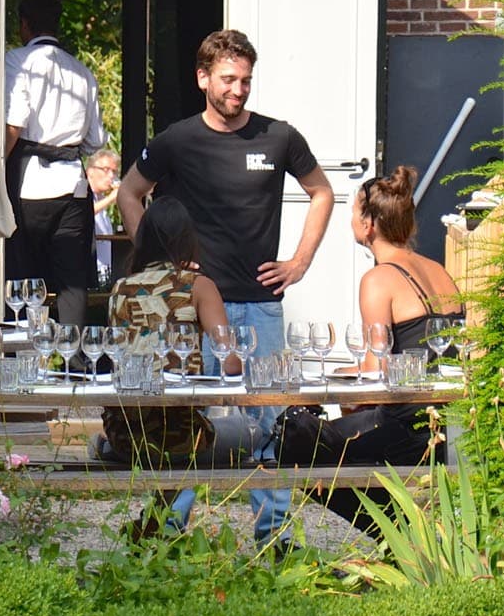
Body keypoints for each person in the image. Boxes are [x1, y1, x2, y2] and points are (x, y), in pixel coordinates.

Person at [116, 28, 334, 547]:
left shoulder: (279, 137)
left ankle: (275, 541)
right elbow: (128, 193)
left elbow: (322, 192)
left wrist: (299, 262)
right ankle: (165, 538)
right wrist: (159, 265)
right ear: (203, 78)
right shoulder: (176, 140)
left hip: (261, 307)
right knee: (183, 422)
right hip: (192, 308)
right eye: (229, 79)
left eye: (246, 80)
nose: (238, 89)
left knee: (273, 422)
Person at [276, 166, 463, 529]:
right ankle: (406, 534)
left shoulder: (379, 279)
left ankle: (398, 536)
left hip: (410, 427)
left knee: (294, 445)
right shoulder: (438, 270)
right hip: (447, 421)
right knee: (325, 434)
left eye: (353, 213)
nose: (351, 221)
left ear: (369, 224)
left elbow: (376, 371)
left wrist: (330, 377)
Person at [96, 198, 231, 468]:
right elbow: (231, 361)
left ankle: (105, 447)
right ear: (188, 240)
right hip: (183, 437)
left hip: (125, 436)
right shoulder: (198, 286)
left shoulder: (120, 288)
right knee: (252, 432)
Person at [4, 0, 106, 326]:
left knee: (22, 277)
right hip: (72, 186)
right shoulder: (82, 71)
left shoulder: (17, 61)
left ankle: (22, 350)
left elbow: (15, 123)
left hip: (29, 183)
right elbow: (95, 141)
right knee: (71, 281)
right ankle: (73, 353)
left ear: (24, 25)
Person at [87, 148, 123, 286]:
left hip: (104, 273)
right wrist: (110, 199)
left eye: (114, 171)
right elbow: (84, 214)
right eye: (106, 170)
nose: (111, 176)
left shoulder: (102, 200)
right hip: (89, 273)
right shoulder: (83, 194)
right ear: (90, 171)